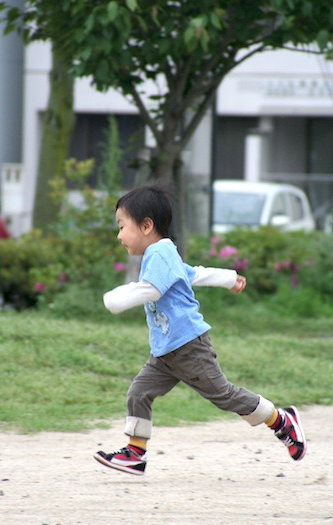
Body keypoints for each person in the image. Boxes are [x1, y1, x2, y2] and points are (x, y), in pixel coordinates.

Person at [94, 183, 306, 476]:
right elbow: (194, 273)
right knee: (139, 392)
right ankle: (135, 452)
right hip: (166, 350)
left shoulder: (159, 254)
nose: (119, 236)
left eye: (121, 226)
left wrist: (116, 299)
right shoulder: (161, 254)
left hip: (189, 346)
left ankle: (281, 420)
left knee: (225, 396)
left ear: (146, 226)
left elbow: (151, 290)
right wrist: (229, 277)